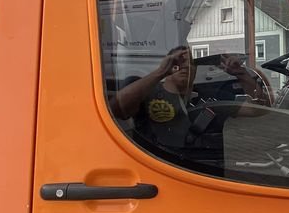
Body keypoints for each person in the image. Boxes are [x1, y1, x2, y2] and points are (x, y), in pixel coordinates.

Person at [109, 46, 270, 154]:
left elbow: (258, 109)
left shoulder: (210, 96)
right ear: (167, 65)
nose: (184, 66)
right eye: (177, 62)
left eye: (190, 62)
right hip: (157, 165)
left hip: (201, 168)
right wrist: (159, 73)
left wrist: (241, 73)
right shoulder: (147, 92)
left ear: (196, 69)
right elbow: (116, 109)